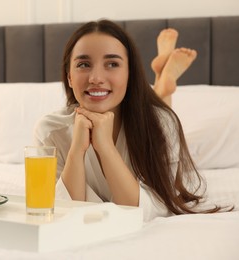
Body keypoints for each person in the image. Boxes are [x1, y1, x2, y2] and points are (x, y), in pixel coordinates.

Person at [33, 19, 220, 221]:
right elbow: (64, 211)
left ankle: (162, 85)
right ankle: (162, 83)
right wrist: (77, 149)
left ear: (130, 74)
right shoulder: (50, 130)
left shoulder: (164, 122)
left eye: (112, 64)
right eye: (83, 64)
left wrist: (104, 146)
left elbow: (140, 211)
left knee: (158, 116)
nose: (96, 77)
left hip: (153, 120)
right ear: (69, 76)